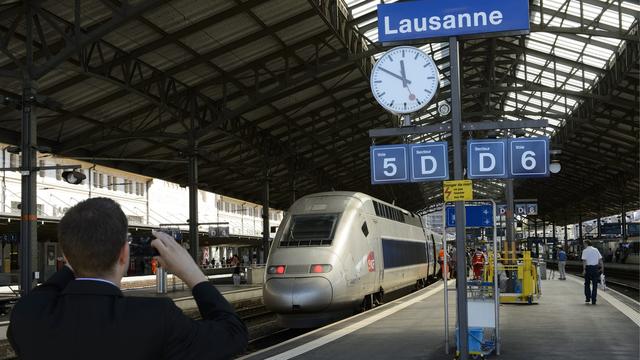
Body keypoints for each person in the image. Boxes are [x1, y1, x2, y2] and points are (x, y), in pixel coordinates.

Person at [8, 198, 248, 359]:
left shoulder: (29, 315)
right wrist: (193, 273)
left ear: (65, 256)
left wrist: (77, 256)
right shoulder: (155, 317)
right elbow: (233, 335)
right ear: (124, 254)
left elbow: (47, 290)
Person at [581, 240, 604, 305]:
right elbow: (600, 260)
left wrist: (584, 270)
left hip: (588, 268)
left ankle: (588, 298)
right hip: (595, 268)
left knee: (587, 284)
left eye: (584, 244)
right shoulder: (596, 250)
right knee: (595, 284)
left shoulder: (585, 251)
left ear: (586, 244)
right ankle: (594, 300)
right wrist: (602, 268)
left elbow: (584, 261)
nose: (583, 245)